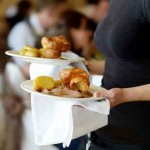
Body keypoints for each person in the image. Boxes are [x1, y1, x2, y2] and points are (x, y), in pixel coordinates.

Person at [78, 0, 150, 150]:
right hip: (101, 127)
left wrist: (125, 95)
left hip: (138, 136)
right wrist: (81, 65)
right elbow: (123, 62)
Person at [7, 0, 67, 150]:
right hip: (18, 88)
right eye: (59, 15)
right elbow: (24, 68)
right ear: (49, 13)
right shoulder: (22, 30)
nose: (60, 20)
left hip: (34, 86)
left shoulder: (44, 32)